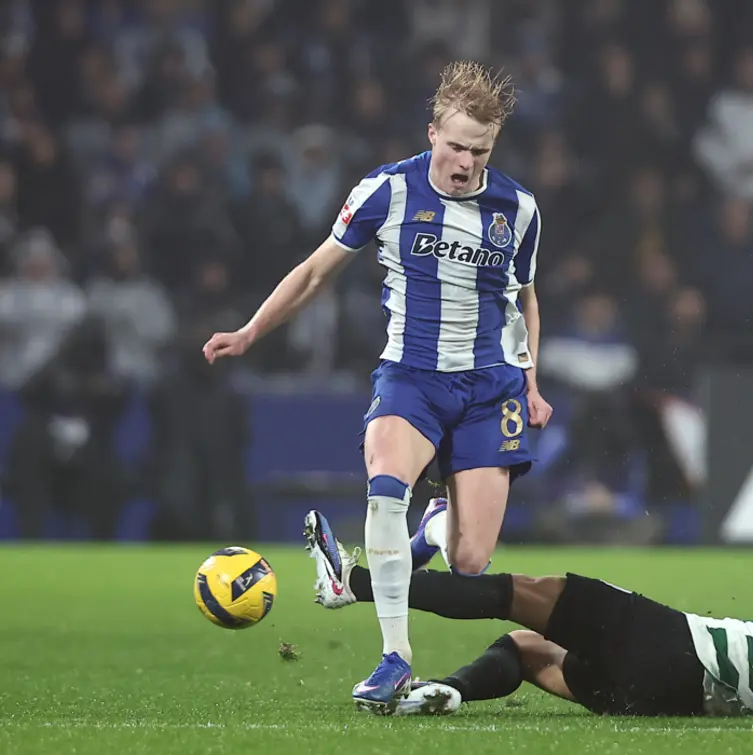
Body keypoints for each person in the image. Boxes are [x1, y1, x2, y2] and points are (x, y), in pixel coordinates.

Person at [202, 61, 552, 714]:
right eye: (454, 147)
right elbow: (312, 274)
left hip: (489, 390)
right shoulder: (386, 191)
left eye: (479, 151)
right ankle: (395, 659)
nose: (464, 163)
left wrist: (530, 379)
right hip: (411, 379)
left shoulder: (519, 209)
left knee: (470, 562)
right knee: (386, 483)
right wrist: (250, 331)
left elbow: (524, 297)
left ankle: (357, 573)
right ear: (432, 135)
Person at [306, 458, 753, 718]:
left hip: (676, 646)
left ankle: (354, 582)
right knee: (526, 649)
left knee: (516, 589)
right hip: (663, 698)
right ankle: (449, 691)